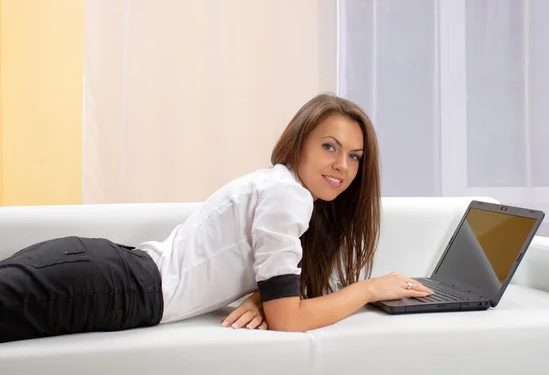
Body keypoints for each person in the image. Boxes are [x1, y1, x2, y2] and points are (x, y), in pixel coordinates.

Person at [0, 93, 433, 343]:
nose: (343, 165)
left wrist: (266, 294)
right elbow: (289, 320)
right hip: (113, 286)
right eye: (330, 147)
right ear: (300, 143)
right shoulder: (287, 196)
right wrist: (370, 288)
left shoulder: (282, 189)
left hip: (108, 272)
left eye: (355, 156)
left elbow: (284, 299)